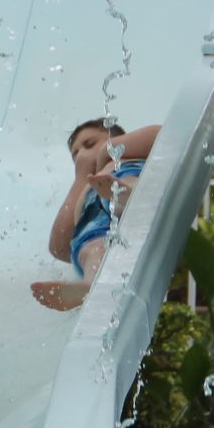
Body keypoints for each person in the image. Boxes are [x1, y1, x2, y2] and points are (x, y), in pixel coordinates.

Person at [31, 118, 160, 311]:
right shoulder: (83, 188)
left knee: (124, 179)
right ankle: (89, 285)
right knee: (91, 248)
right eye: (75, 155)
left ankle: (127, 198)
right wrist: (80, 178)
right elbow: (59, 247)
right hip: (96, 223)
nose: (82, 155)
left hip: (124, 181)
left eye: (89, 144)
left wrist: (106, 151)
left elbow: (159, 135)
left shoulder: (120, 157)